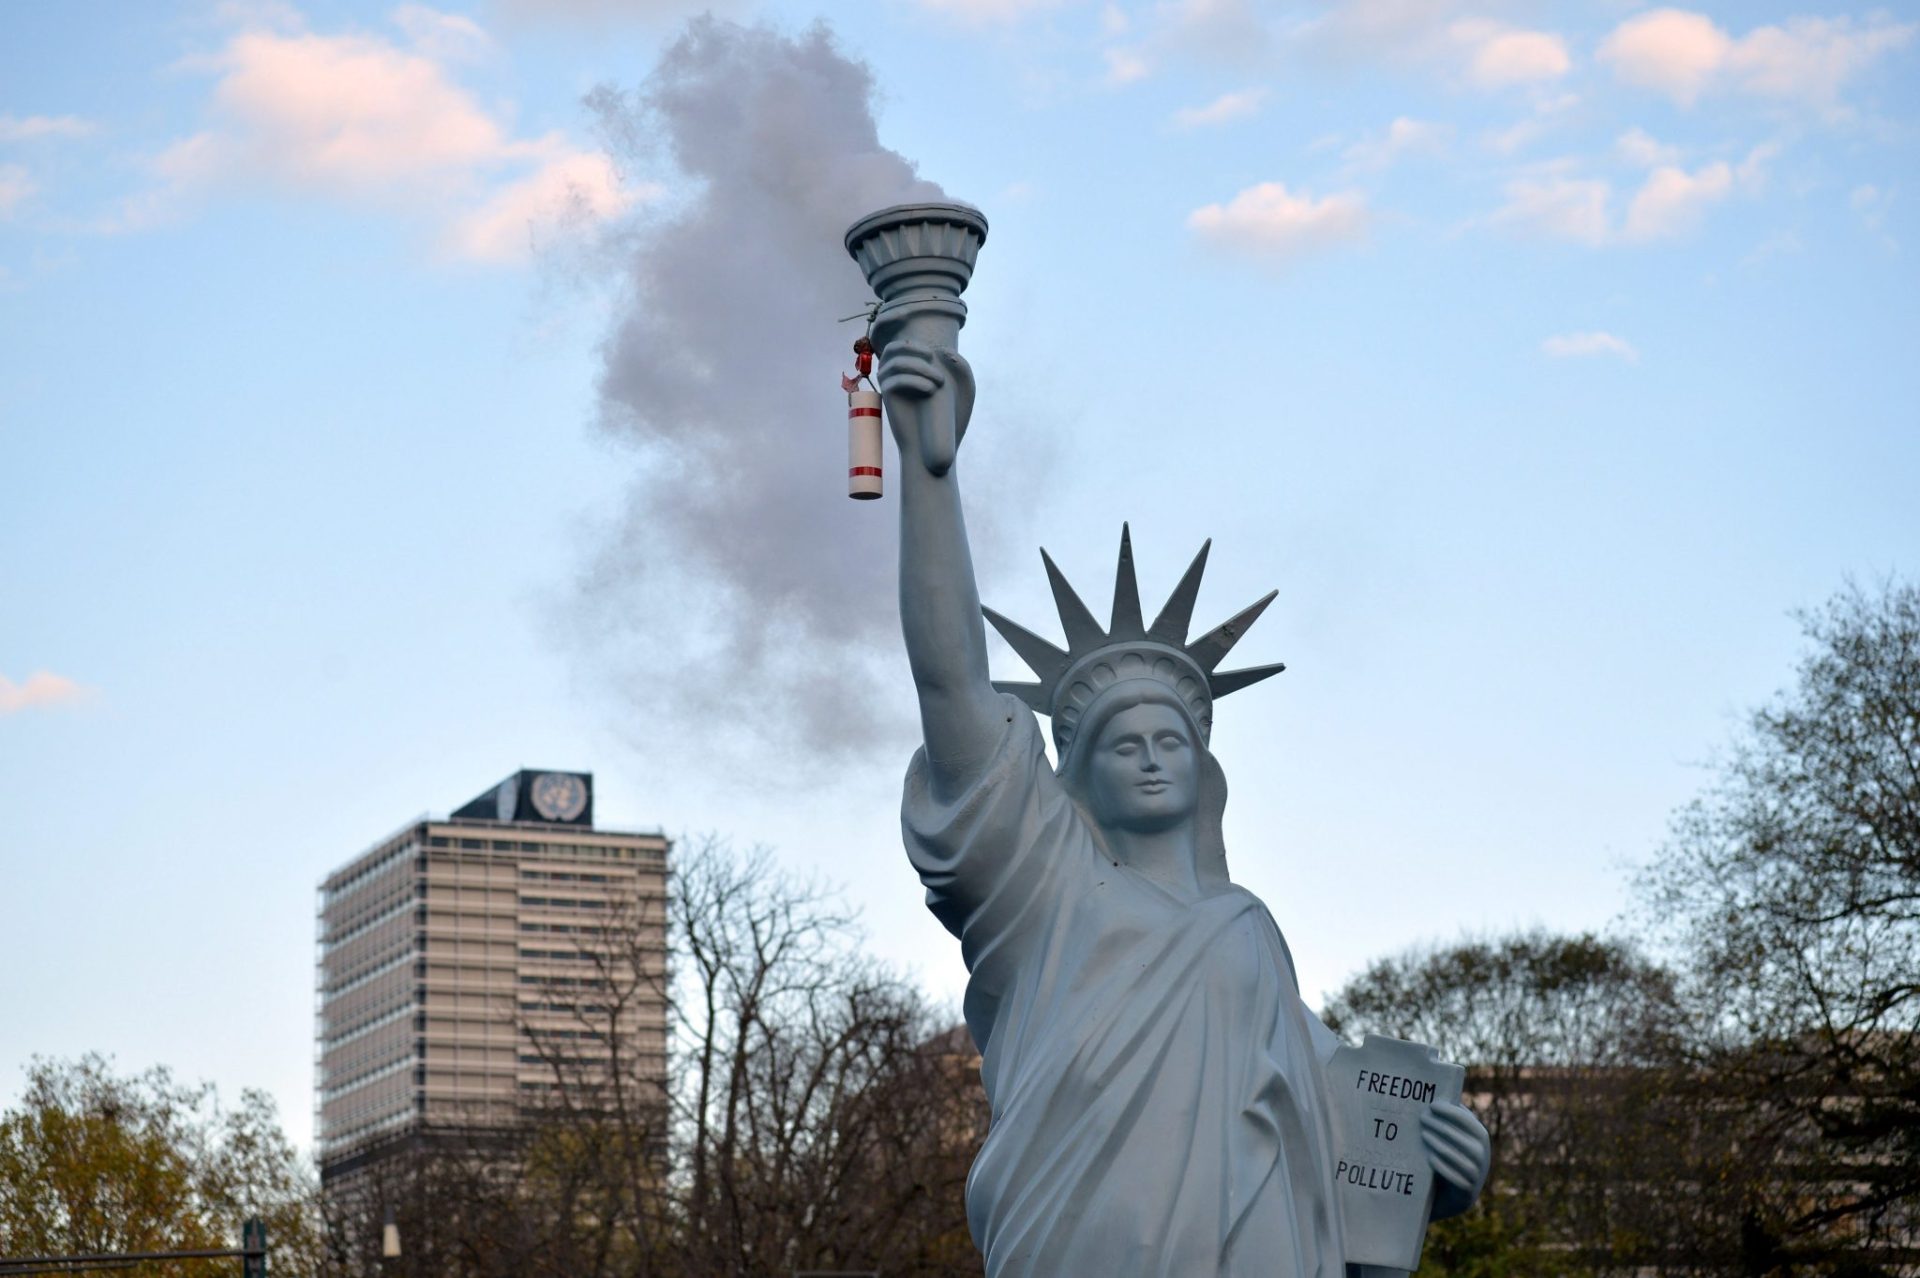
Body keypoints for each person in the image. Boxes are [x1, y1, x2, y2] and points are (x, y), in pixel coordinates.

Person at [880, 337, 1491, 1278]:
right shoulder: (1048, 892)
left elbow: (1345, 1115)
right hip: (1073, 1236)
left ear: (1207, 772)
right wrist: (932, 474)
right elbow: (952, 683)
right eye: (1126, 745)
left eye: (1174, 742)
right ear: (1078, 773)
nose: (1156, 759)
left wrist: (1445, 1159)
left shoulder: (1245, 931)